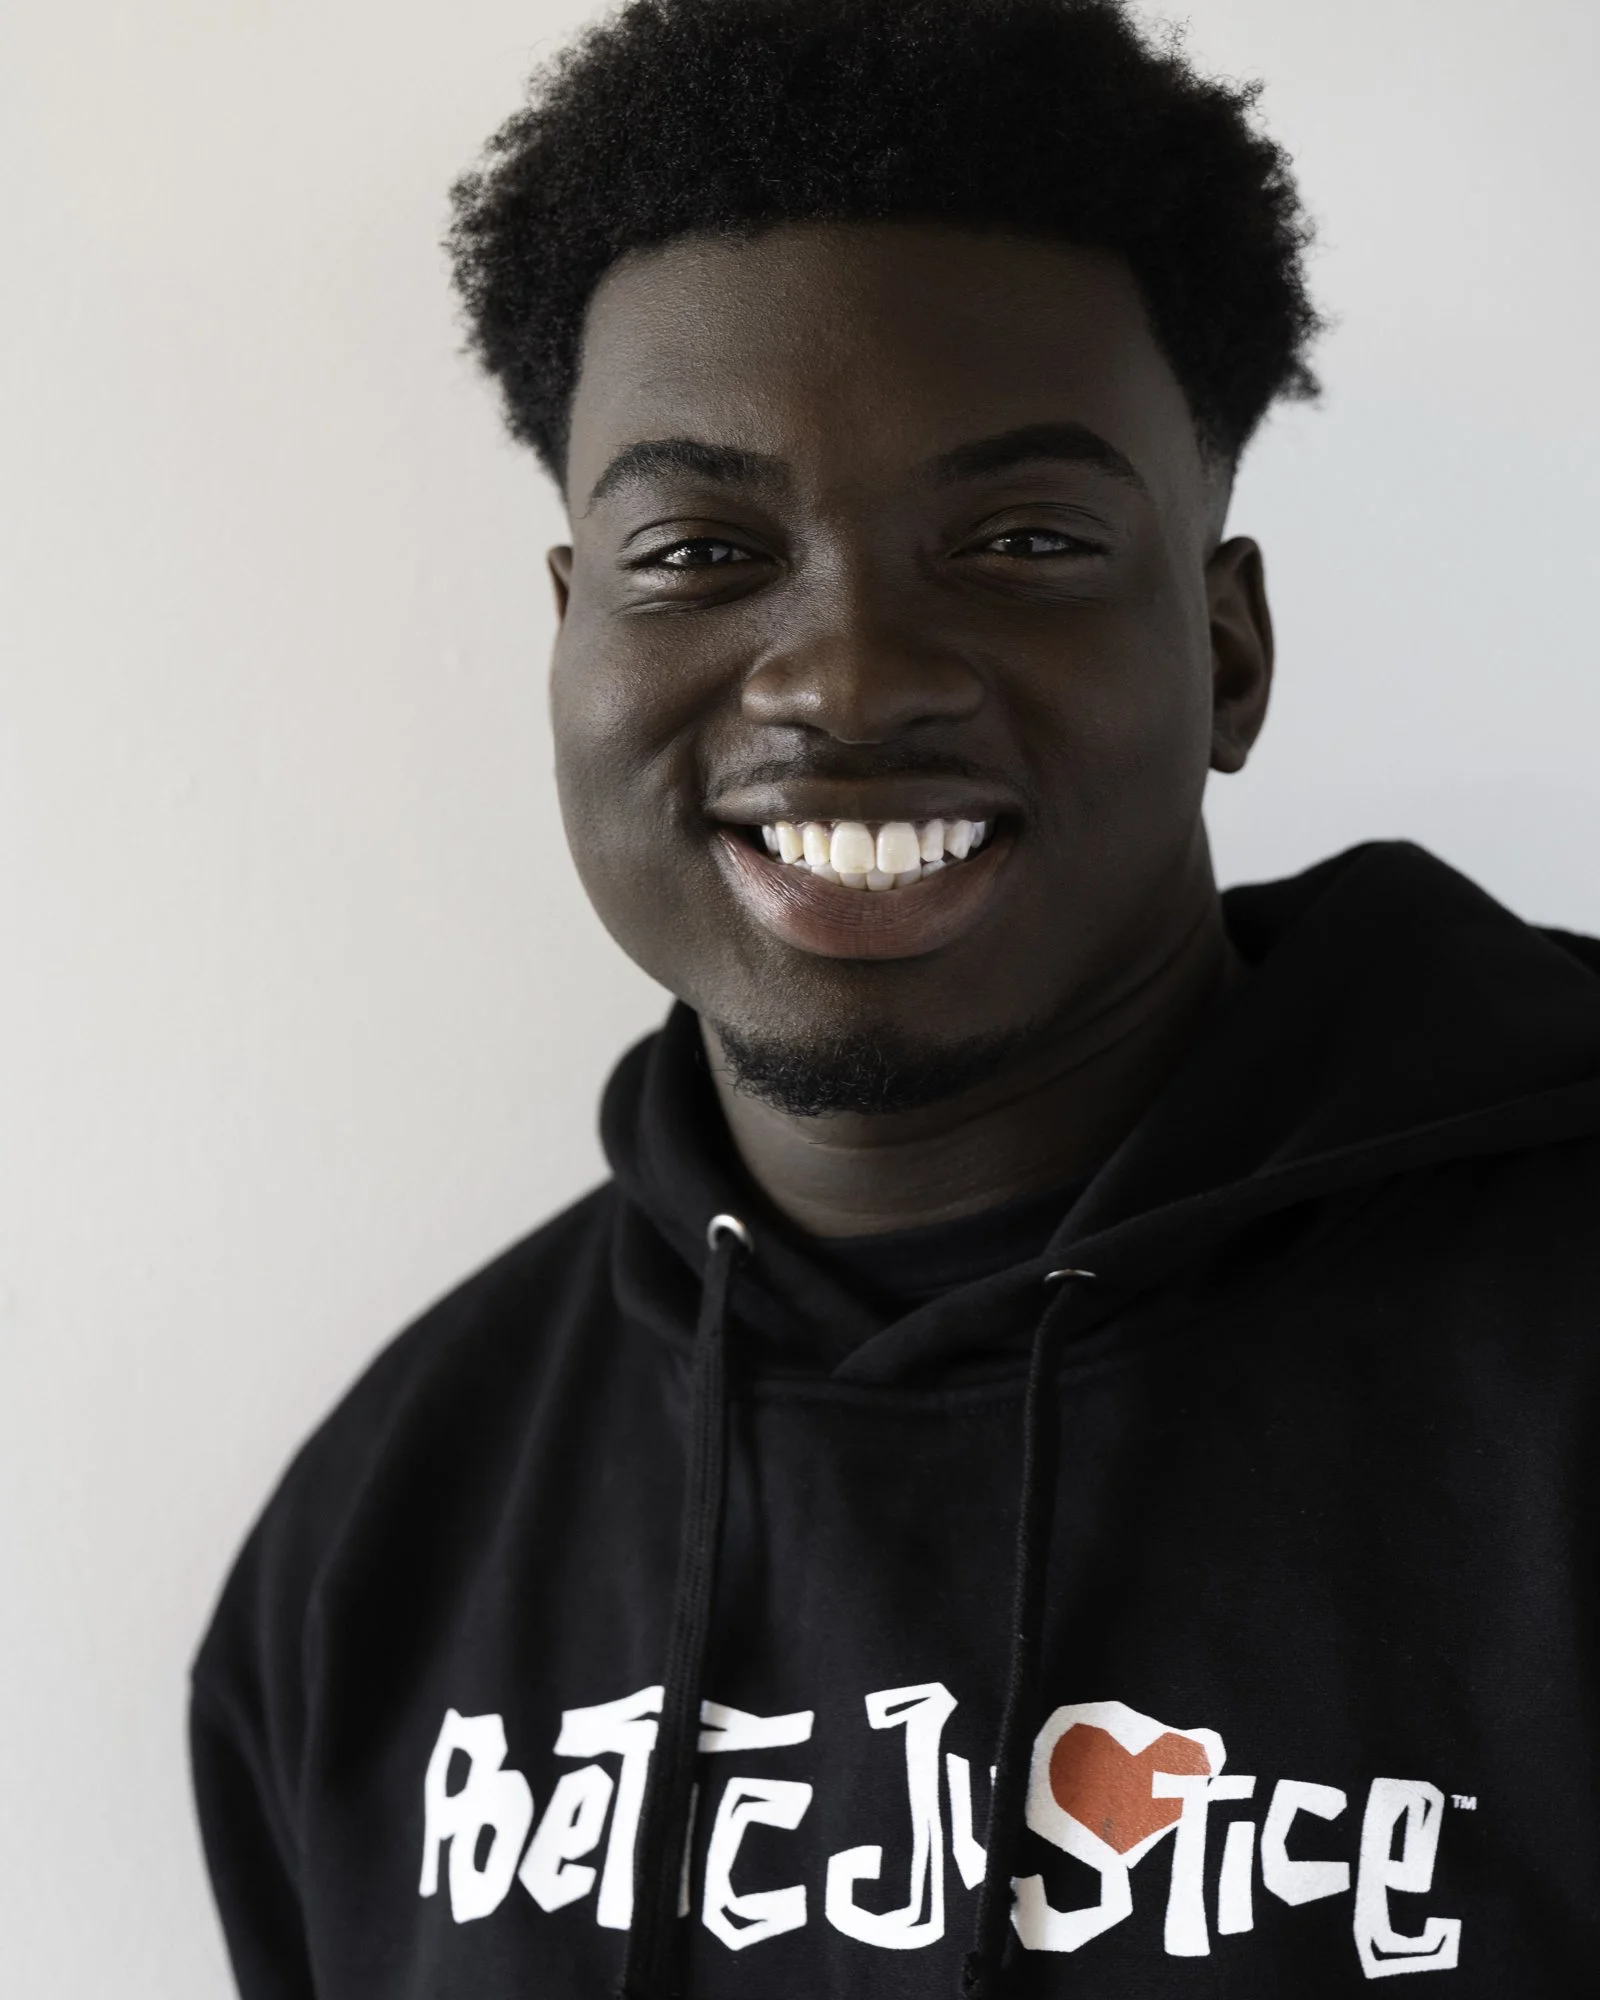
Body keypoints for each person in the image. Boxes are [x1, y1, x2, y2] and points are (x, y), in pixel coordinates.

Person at [188, 0, 1600, 1993]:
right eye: (699, 549)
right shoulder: (383, 1542)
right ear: (571, 638)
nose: (842, 678)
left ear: (1223, 654)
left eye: (1020, 541)